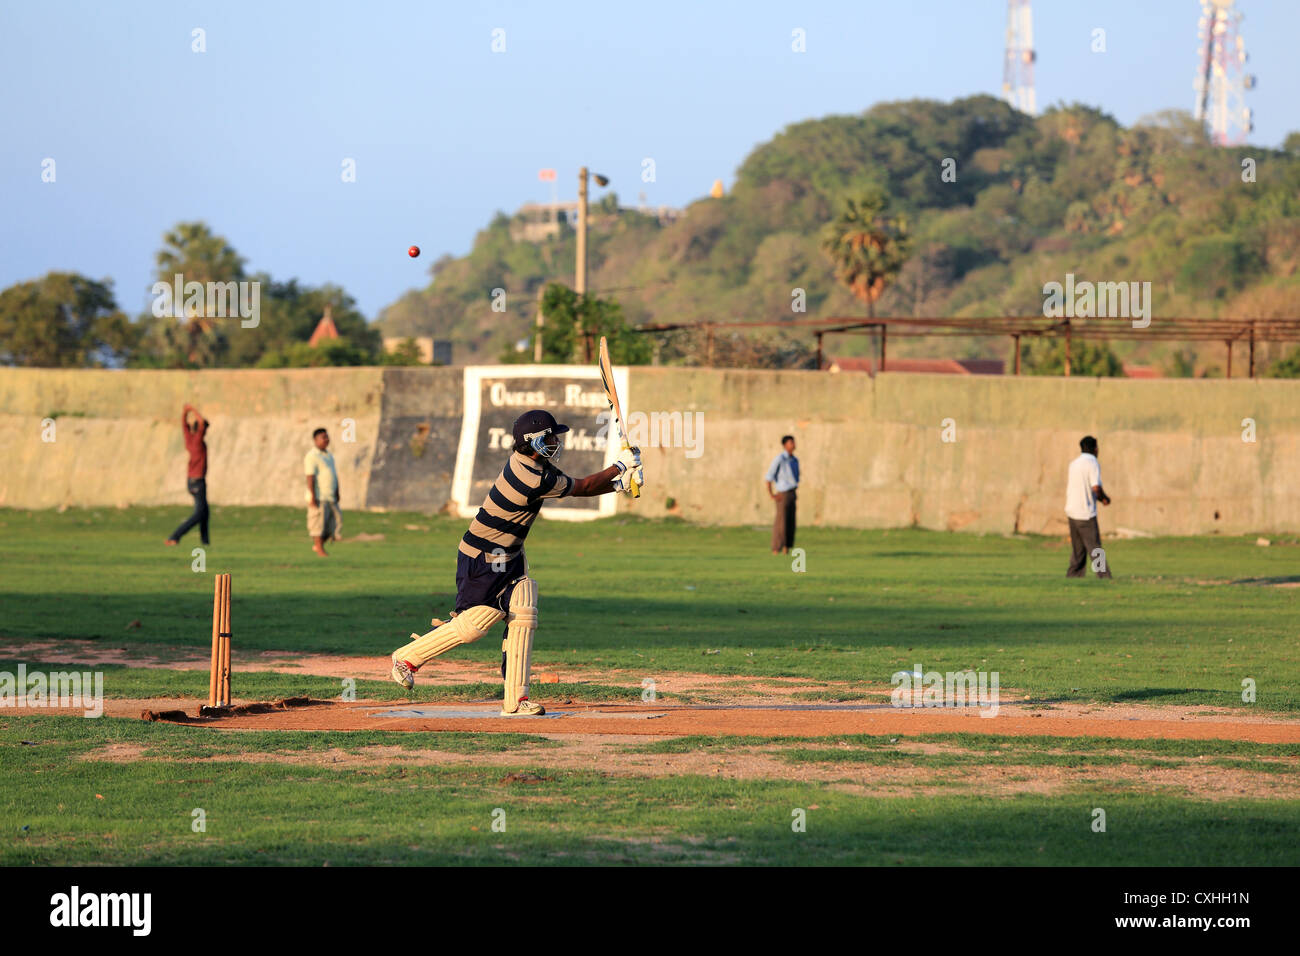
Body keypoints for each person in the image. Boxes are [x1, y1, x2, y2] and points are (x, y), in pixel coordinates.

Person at [388, 409, 643, 716]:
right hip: (481, 556)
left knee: (524, 610)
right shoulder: (531, 477)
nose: (555, 442)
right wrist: (619, 467)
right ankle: (407, 657)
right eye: (549, 437)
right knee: (474, 625)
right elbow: (584, 487)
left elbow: (580, 488)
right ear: (532, 442)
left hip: (510, 555)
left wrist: (620, 484)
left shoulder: (534, 465)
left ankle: (516, 701)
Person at [1065, 435, 1113, 579]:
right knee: (1095, 548)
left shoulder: (1074, 463)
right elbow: (1096, 487)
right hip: (1085, 513)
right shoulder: (1092, 462)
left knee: (1078, 549)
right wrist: (1104, 498)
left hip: (1072, 511)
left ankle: (1073, 576)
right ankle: (1104, 577)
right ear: (1095, 449)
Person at [165, 404, 210, 546]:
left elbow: (184, 425)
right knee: (199, 514)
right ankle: (174, 536)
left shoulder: (189, 439)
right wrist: (193, 409)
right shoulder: (197, 440)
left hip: (192, 481)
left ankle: (205, 542)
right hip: (197, 481)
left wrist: (185, 412)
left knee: (205, 513)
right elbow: (201, 422)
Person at [304, 427, 341, 557]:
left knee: (335, 525)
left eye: (327, 437)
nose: (326, 439)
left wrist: (337, 491)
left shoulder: (329, 455)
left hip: (330, 495)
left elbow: (334, 475)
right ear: (315, 440)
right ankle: (320, 550)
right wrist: (313, 496)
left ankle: (318, 546)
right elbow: (310, 477)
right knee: (317, 525)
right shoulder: (312, 456)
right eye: (323, 437)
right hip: (319, 497)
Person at [764, 434, 800, 554]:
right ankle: (776, 548)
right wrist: (772, 494)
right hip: (782, 493)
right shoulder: (779, 459)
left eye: (794, 442)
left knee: (790, 521)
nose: (793, 445)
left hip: (792, 492)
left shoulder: (795, 460)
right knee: (781, 522)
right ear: (785, 445)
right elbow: (769, 477)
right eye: (791, 442)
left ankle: (787, 547)